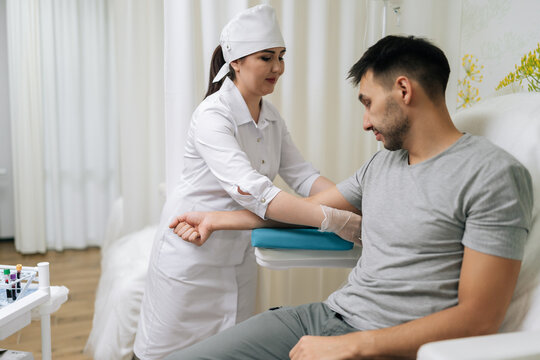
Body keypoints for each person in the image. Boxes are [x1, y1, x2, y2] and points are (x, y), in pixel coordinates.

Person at [165, 35, 534, 359]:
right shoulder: (382, 165)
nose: (365, 122)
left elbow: (479, 319)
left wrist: (354, 345)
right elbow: (306, 209)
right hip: (326, 317)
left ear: (404, 90)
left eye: (367, 102)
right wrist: (218, 219)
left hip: (382, 344)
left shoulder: (491, 176)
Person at [133, 5, 343, 360]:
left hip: (239, 258)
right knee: (164, 354)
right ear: (236, 62)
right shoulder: (212, 116)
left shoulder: (271, 117)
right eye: (266, 57)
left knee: (230, 352)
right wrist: (336, 217)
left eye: (281, 57)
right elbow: (255, 191)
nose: (277, 68)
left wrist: (352, 197)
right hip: (191, 257)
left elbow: (303, 175)